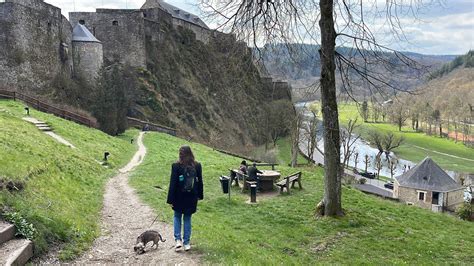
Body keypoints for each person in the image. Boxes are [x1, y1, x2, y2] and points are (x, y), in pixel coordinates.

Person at [167, 145, 204, 252]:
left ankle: (178, 240)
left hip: (178, 197)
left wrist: (170, 200)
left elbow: (173, 184)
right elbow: (200, 182)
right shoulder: (197, 166)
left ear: (180, 154)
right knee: (187, 218)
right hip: (191, 197)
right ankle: (186, 243)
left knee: (177, 216)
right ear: (191, 153)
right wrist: (200, 196)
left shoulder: (176, 166)